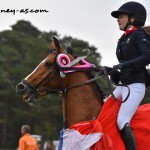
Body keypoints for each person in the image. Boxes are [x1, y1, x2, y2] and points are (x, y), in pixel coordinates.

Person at [111, 1, 150, 150]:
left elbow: (147, 56)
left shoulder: (138, 34)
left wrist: (123, 65)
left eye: (121, 16)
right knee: (105, 109)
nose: (118, 20)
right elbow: (124, 63)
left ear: (132, 19)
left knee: (122, 120)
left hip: (135, 85)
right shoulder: (122, 39)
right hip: (123, 84)